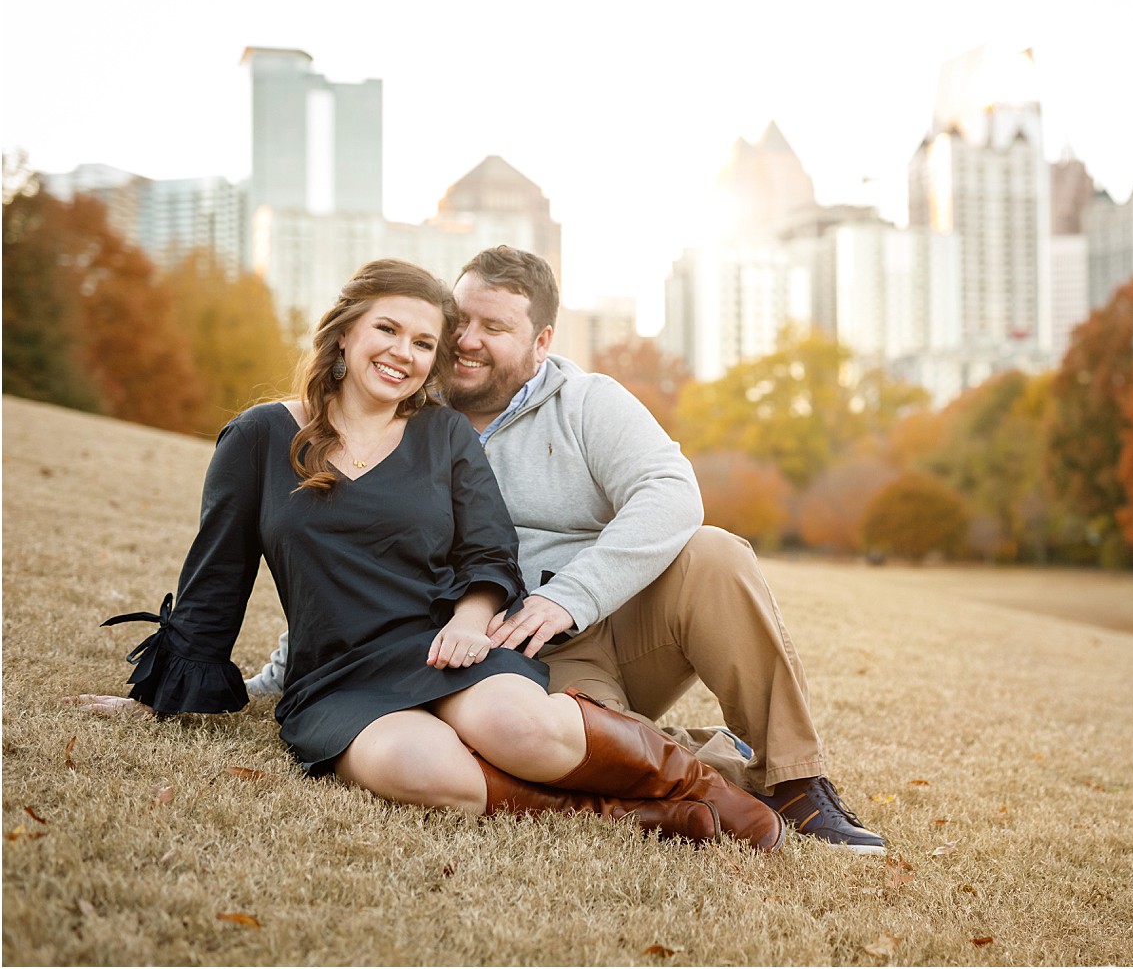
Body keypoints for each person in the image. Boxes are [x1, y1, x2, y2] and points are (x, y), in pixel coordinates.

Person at [80, 259, 784, 852]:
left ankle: (695, 784)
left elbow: (489, 550)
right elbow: (216, 580)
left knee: (520, 730)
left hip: (447, 644)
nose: (403, 353)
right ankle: (638, 815)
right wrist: (161, 698)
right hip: (338, 677)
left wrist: (472, 619)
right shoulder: (260, 438)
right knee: (429, 773)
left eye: (423, 342)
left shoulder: (443, 433)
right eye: (386, 329)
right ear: (345, 332)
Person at [246, 245, 886, 853]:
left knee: (714, 553)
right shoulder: (403, 411)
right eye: (459, 319)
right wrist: (280, 674)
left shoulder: (586, 402)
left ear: (541, 341)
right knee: (565, 758)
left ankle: (796, 781)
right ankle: (703, 761)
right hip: (518, 657)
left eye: (494, 327)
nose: (466, 340)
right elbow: (347, 563)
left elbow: (670, 490)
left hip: (617, 618)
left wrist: (570, 597)